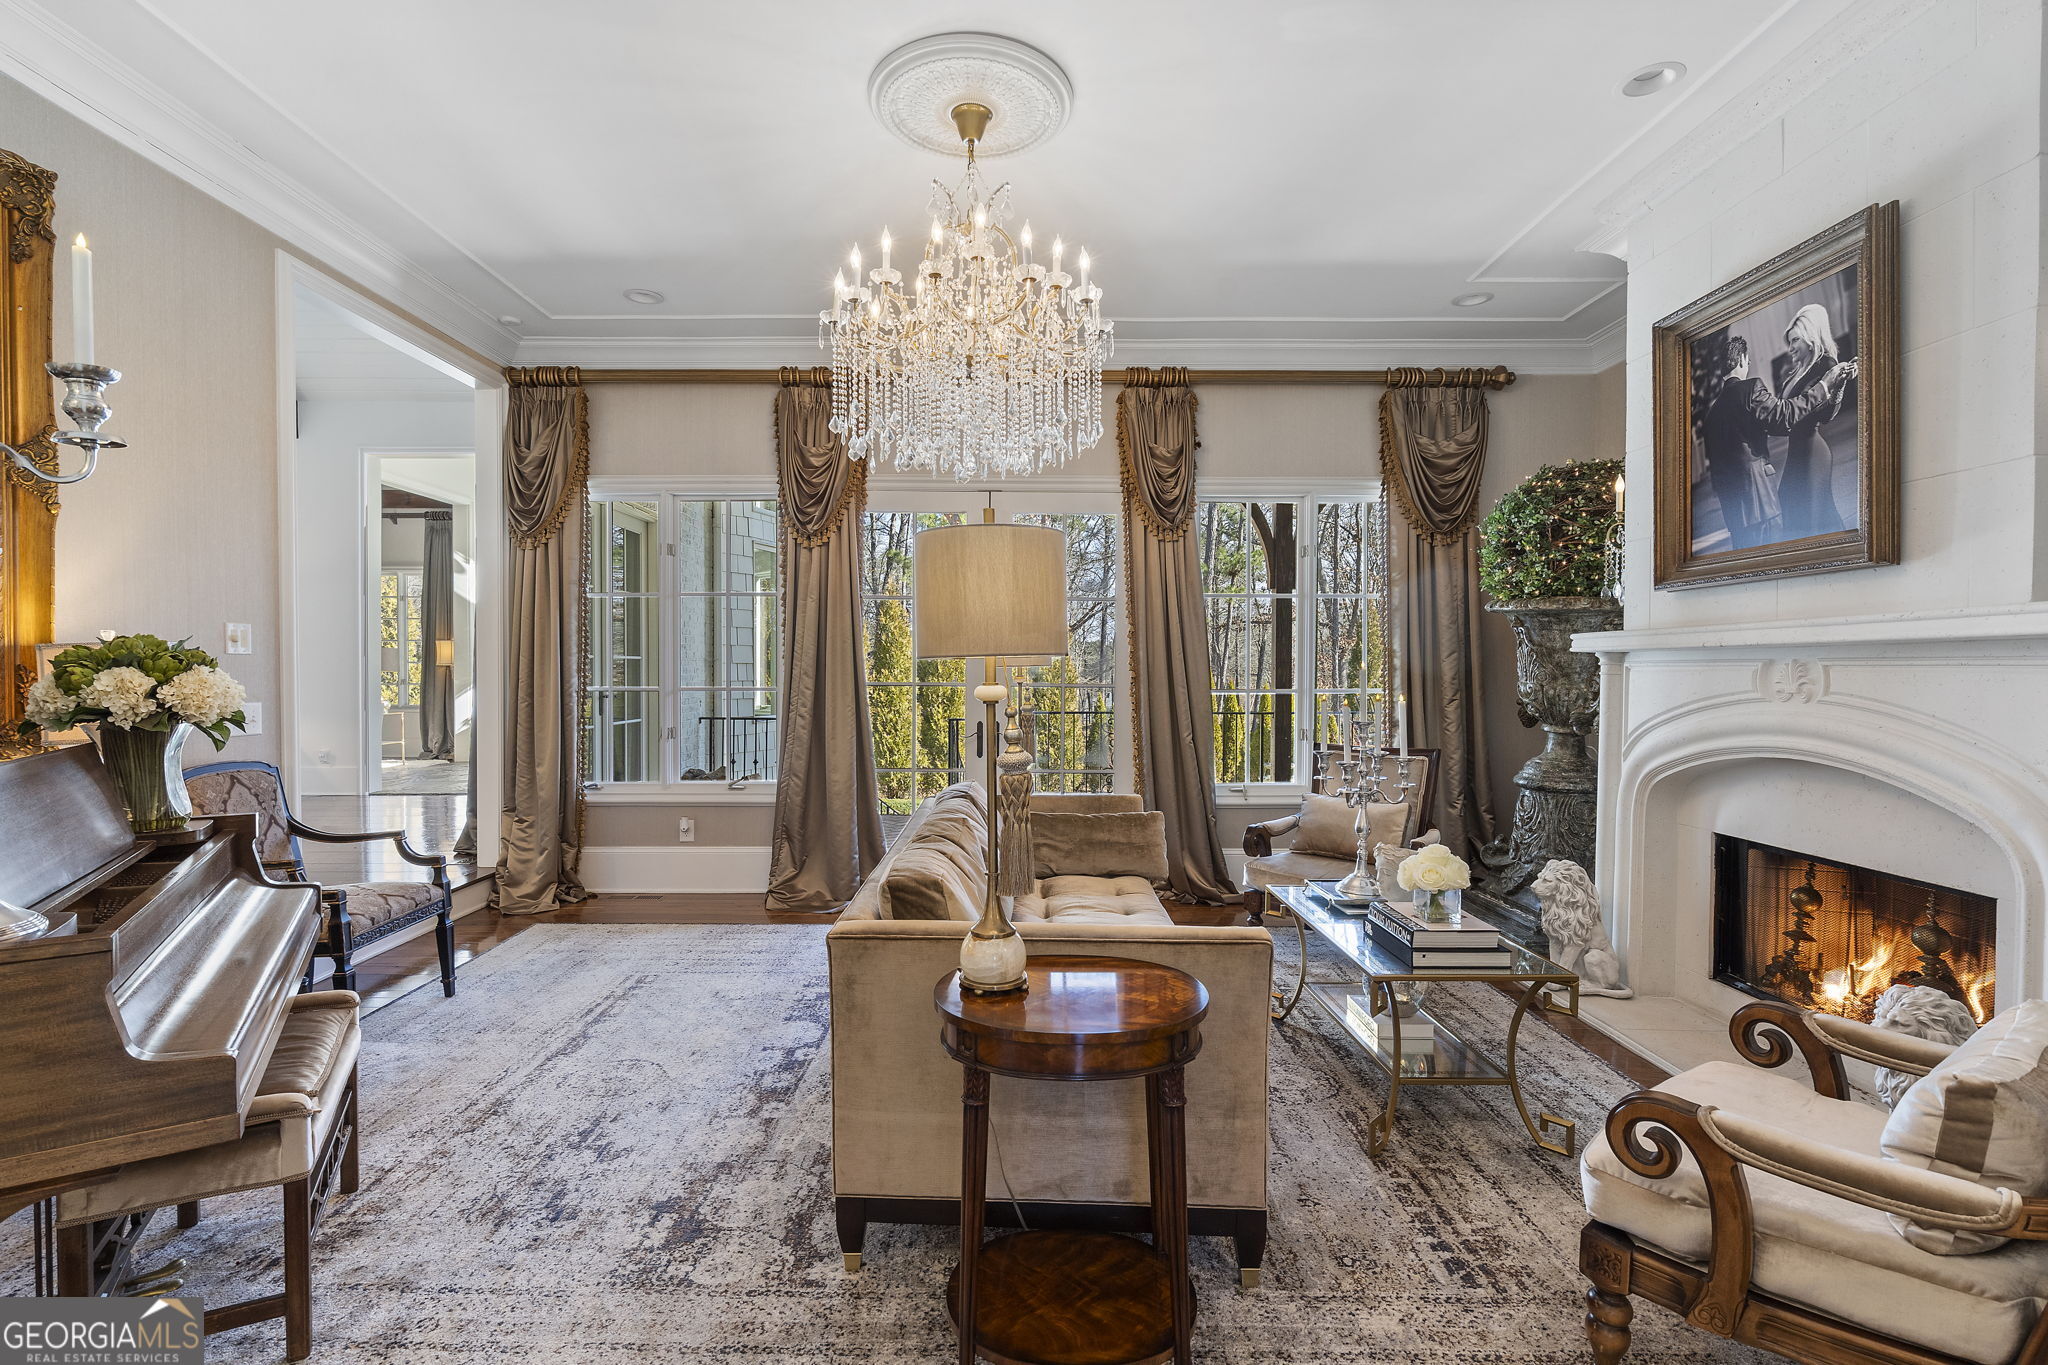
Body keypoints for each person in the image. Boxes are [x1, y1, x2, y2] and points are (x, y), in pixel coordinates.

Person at [1698, 334, 1853, 551]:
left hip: (1735, 515)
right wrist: (1824, 385)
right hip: (1761, 507)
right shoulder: (1750, 389)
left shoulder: (1712, 414)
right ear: (1741, 360)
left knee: (1747, 562)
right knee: (1773, 558)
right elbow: (1784, 416)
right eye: (1748, 361)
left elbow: (1717, 470)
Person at [1776, 303, 1857, 538]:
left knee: (1812, 520)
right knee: (1798, 508)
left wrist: (1839, 386)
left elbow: (1826, 415)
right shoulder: (1796, 370)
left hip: (1812, 453)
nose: (1790, 348)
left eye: (1795, 341)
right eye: (1789, 341)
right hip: (1796, 451)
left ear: (1810, 339)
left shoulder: (1826, 364)